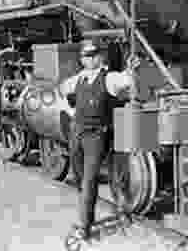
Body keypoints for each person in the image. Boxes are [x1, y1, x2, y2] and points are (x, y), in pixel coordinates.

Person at [59, 40, 139, 243]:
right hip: (77, 133)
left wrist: (131, 68)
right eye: (86, 56)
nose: (90, 59)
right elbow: (62, 89)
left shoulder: (109, 78)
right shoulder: (78, 78)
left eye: (93, 55)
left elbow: (127, 81)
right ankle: (89, 214)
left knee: (88, 180)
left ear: (99, 57)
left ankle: (85, 227)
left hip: (96, 135)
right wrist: (70, 111)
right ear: (82, 59)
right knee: (79, 177)